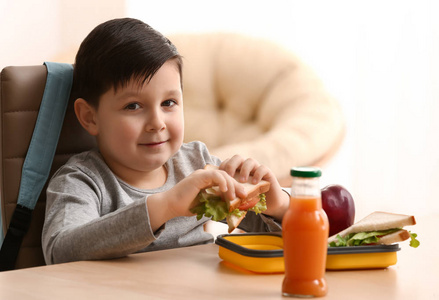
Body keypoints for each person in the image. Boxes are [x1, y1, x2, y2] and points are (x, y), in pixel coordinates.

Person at [42, 18, 289, 265]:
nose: (157, 122)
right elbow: (60, 250)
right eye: (133, 106)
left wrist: (279, 207)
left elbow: (282, 236)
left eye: (168, 103)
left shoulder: (196, 163)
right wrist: (165, 206)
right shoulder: (81, 180)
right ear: (90, 116)